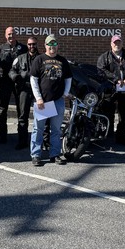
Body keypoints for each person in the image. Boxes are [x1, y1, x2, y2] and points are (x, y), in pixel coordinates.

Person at [29, 34, 72, 167]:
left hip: (58, 101)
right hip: (43, 102)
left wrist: (65, 93)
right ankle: (36, 155)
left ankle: (55, 154)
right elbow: (33, 80)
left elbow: (68, 78)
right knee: (38, 129)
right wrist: (39, 98)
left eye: (54, 44)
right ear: (45, 45)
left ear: (57, 46)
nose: (52, 47)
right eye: (49, 44)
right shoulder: (39, 59)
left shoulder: (62, 61)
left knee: (56, 130)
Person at [97, 34, 125, 146]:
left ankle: (121, 136)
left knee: (124, 114)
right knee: (108, 113)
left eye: (119, 42)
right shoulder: (104, 57)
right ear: (111, 44)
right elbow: (101, 70)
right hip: (110, 90)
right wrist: (116, 79)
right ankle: (109, 136)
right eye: (115, 42)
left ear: (122, 43)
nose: (117, 44)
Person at [0, 27, 27, 143]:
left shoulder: (23, 48)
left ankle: (22, 137)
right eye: (9, 34)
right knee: (2, 109)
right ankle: (2, 135)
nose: (11, 36)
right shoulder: (0, 48)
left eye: (13, 33)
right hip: (4, 82)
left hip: (19, 82)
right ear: (5, 35)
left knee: (21, 109)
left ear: (16, 34)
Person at [9, 36, 39, 150]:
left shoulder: (42, 58)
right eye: (30, 44)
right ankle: (22, 142)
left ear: (37, 45)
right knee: (22, 116)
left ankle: (44, 142)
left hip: (39, 91)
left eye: (34, 44)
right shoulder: (20, 58)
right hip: (24, 89)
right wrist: (15, 77)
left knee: (43, 117)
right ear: (27, 45)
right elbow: (11, 70)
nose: (32, 46)